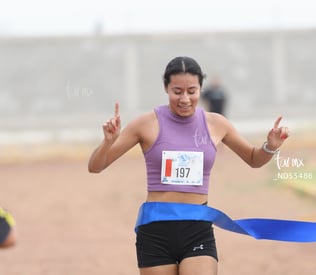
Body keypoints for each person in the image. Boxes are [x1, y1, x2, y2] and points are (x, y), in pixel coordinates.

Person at [88, 56, 289, 275]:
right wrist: (107, 143)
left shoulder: (216, 124)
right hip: (156, 231)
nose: (185, 98)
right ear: (166, 88)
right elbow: (96, 166)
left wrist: (270, 147)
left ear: (201, 89)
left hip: (197, 229)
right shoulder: (145, 124)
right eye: (177, 91)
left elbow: (253, 158)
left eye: (191, 91)